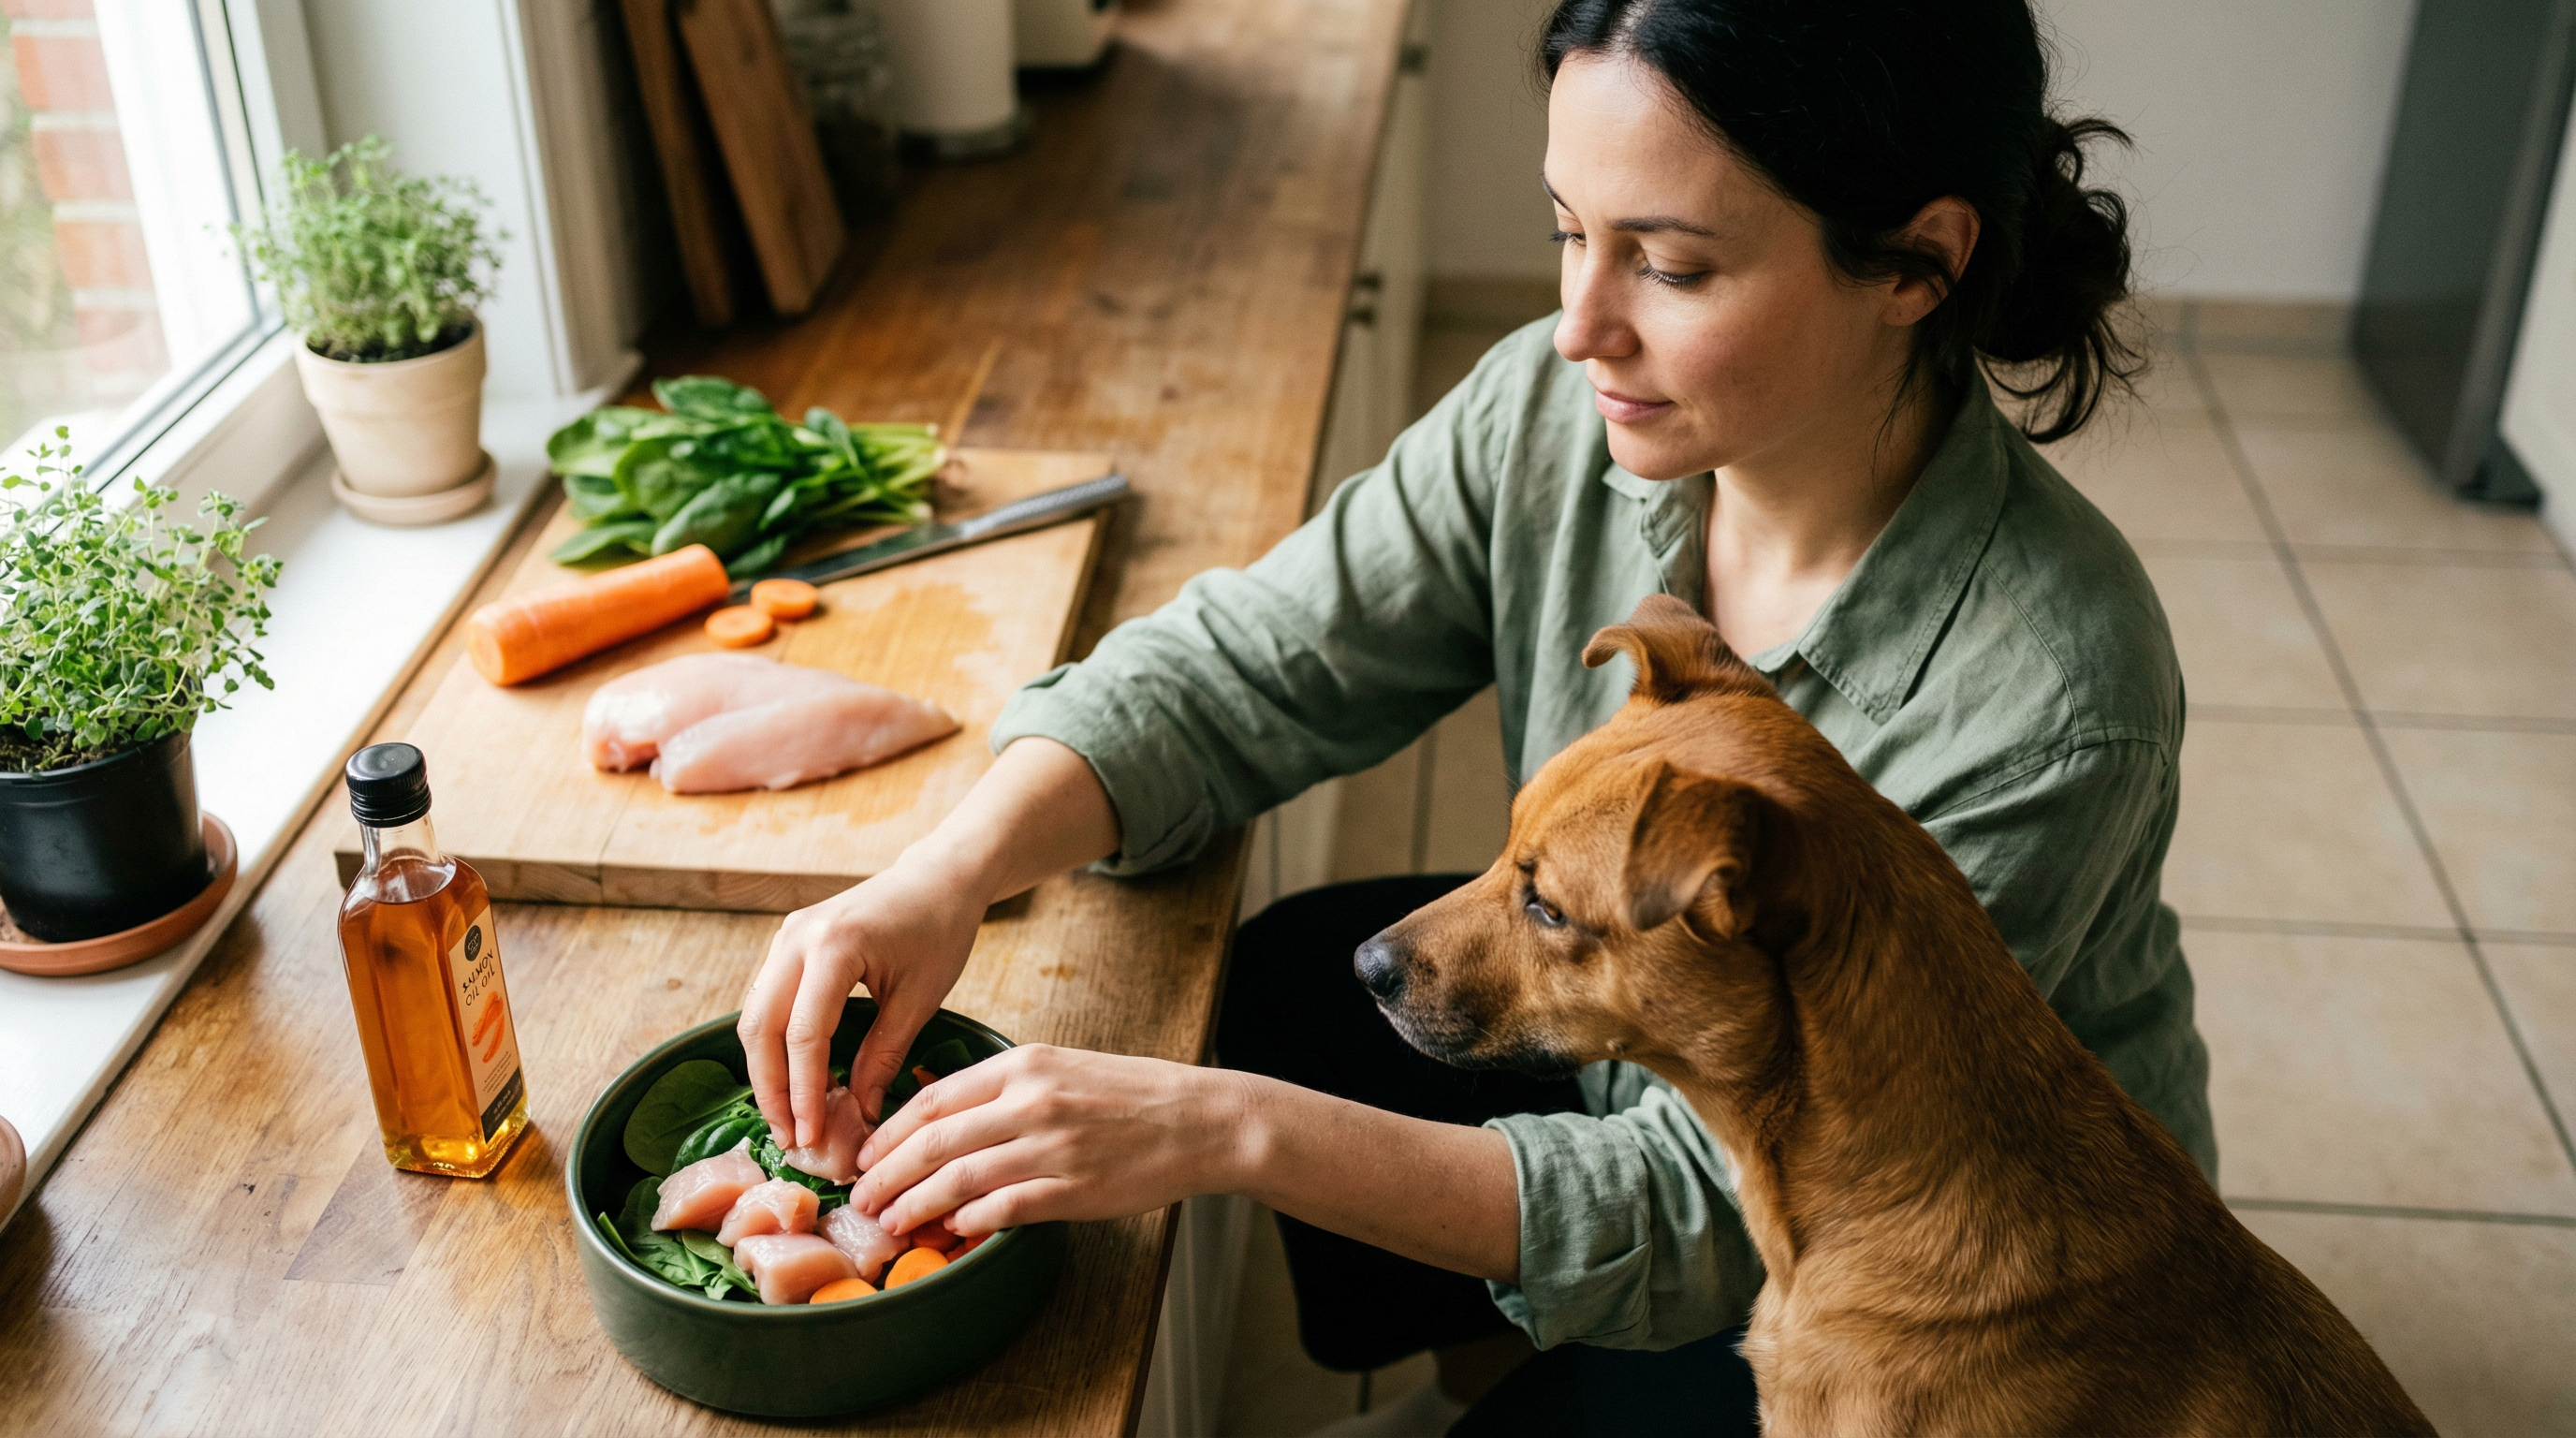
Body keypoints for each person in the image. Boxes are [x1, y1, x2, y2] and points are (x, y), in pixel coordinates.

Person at [737, 1, 2208, 1431]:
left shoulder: (2057, 698)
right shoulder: (1560, 416)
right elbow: (1251, 663)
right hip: (1641, 1048)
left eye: (1673, 267)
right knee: (1307, 984)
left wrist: (1224, 1129)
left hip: (1932, 1288)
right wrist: (946, 872)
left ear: (1917, 265)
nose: (1579, 329)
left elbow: (1715, 1216)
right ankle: (1488, 1387)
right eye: (1573, 231)